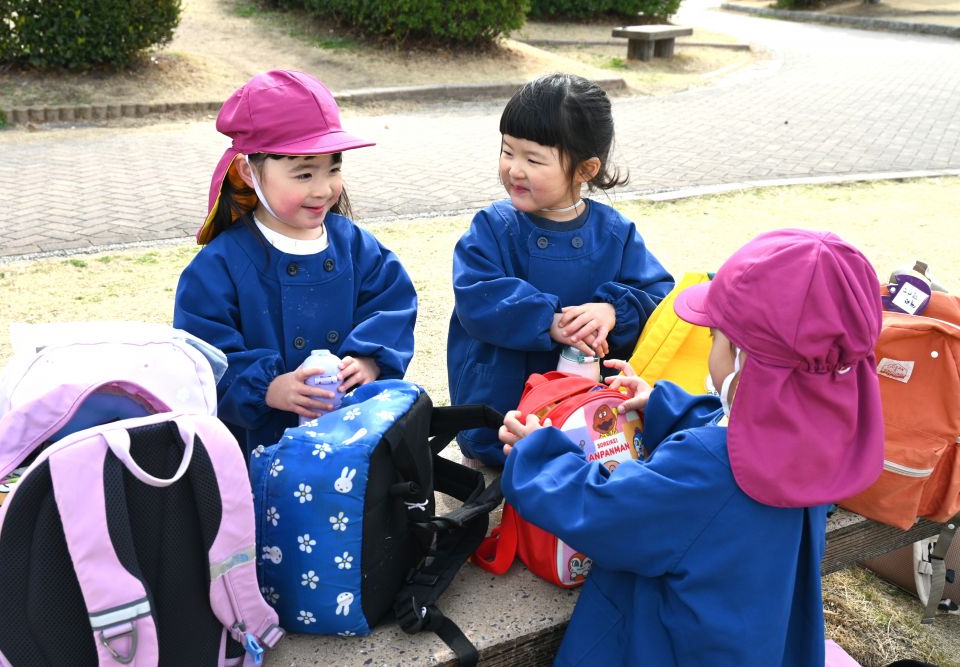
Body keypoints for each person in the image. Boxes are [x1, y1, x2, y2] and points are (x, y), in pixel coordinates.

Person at [499, 228, 885, 666]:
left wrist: (539, 455)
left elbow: (607, 513)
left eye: (714, 337)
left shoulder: (704, 469)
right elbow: (742, 430)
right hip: (759, 640)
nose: (711, 349)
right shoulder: (823, 438)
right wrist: (667, 406)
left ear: (744, 359)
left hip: (673, 647)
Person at [174, 70, 417, 455]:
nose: (323, 189)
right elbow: (202, 357)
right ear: (248, 172)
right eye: (304, 173)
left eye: (333, 168)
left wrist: (370, 359)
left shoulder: (353, 244)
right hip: (258, 447)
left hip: (349, 440)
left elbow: (392, 302)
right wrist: (266, 388)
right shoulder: (218, 266)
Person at [447, 73, 675, 468]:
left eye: (533, 159)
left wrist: (612, 311)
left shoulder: (614, 232)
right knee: (502, 446)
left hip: (591, 423)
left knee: (584, 448)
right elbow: (476, 295)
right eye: (508, 151)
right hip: (501, 403)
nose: (514, 169)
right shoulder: (494, 227)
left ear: (585, 170)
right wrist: (547, 320)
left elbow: (659, 295)